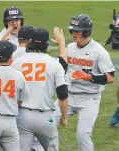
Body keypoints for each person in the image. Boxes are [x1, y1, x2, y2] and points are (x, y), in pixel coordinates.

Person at [54, 14, 115, 151]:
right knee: (46, 121)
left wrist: (89, 77)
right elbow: (62, 65)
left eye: (77, 30)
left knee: (83, 135)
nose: (73, 33)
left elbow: (110, 77)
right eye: (72, 30)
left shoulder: (99, 51)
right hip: (69, 96)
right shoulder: (70, 47)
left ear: (86, 31)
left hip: (89, 98)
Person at [11, 28, 68, 151]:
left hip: (22, 115)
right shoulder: (54, 64)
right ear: (47, 44)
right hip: (45, 117)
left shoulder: (17, 62)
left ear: (31, 41)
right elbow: (62, 95)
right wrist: (64, 117)